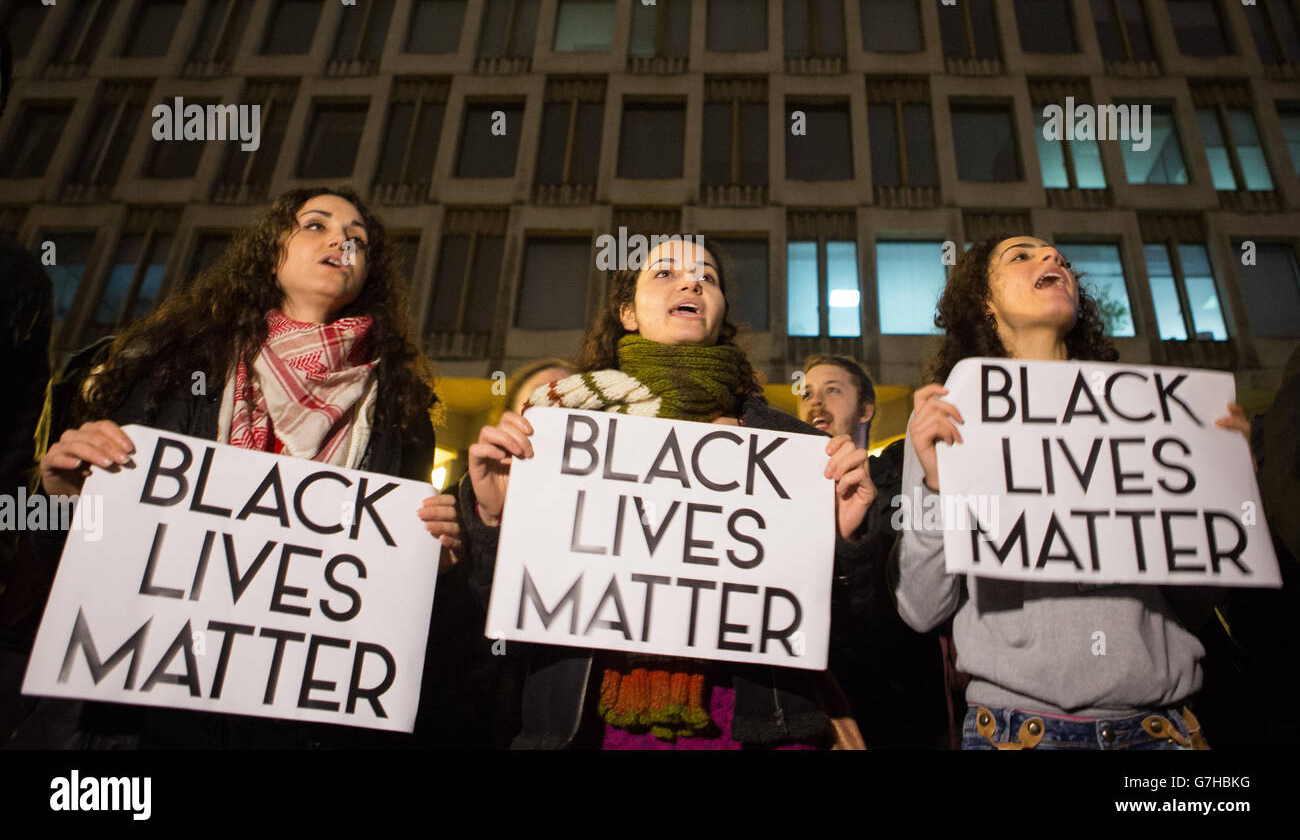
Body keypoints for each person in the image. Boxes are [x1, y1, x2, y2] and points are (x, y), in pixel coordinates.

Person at [25, 186, 457, 749]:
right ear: (269, 251)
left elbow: (386, 600)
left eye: (358, 240)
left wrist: (432, 560)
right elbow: (78, 571)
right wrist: (63, 498)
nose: (341, 243)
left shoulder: (402, 408)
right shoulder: (173, 367)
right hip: (149, 717)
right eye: (316, 226)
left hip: (300, 724)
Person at [460, 238, 872, 749]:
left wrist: (845, 541)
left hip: (753, 730)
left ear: (721, 316)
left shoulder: (794, 453)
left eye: (708, 277)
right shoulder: (553, 437)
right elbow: (503, 626)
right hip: (592, 732)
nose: (691, 282)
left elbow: (850, 630)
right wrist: (497, 523)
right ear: (627, 313)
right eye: (663, 273)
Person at [893, 235, 1251, 750]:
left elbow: (1190, 601)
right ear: (983, 304)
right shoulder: (948, 418)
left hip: (1162, 731)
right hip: (1015, 734)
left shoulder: (1151, 417)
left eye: (1058, 257)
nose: (1053, 259)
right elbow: (921, 608)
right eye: (1022, 256)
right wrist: (936, 490)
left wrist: (1227, 496)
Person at [798, 355, 950, 749]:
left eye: (832, 390)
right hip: (819, 708)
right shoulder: (783, 496)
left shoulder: (904, 479)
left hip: (905, 712)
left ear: (866, 408)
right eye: (807, 393)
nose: (816, 402)